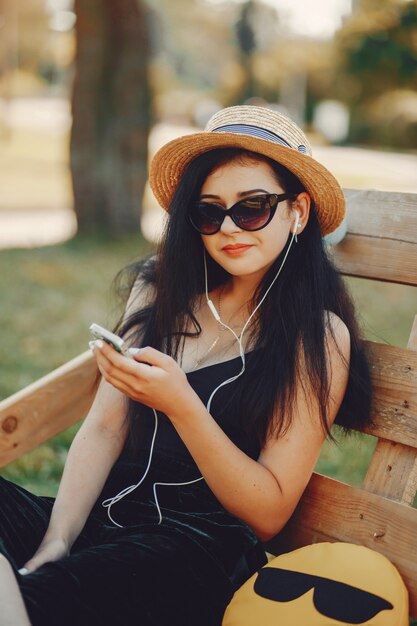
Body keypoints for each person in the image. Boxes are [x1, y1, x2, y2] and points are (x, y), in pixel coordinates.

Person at [0, 105, 372, 626]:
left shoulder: (318, 335)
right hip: (102, 521)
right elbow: (105, 427)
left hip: (192, 553)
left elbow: (268, 513)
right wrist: (57, 539)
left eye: (253, 207)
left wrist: (182, 405)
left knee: (49, 596)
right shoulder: (161, 288)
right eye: (208, 211)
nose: (228, 227)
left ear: (299, 212)